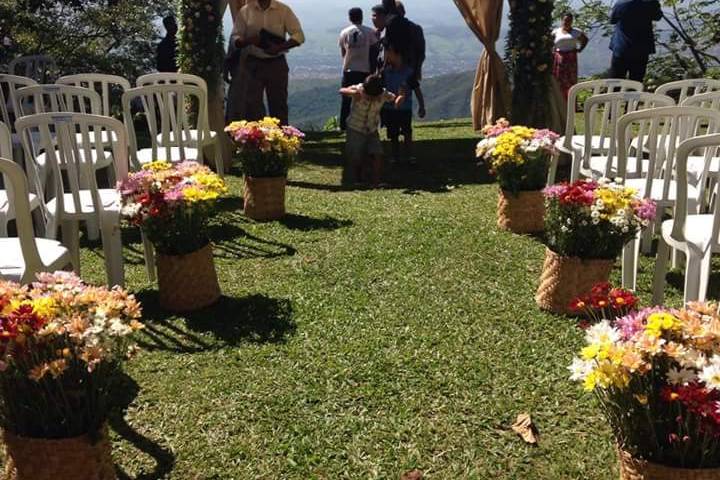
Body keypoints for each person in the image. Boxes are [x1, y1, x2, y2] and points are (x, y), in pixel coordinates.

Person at [230, 0, 305, 126]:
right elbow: (235, 37)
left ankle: (280, 141)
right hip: (253, 63)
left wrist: (279, 47)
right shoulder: (246, 11)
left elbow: (299, 36)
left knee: (278, 104)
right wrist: (248, 41)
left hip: (276, 63)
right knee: (252, 105)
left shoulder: (283, 10)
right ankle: (257, 140)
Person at [340, 73, 402, 187]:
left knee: (377, 153)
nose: (372, 98)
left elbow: (394, 98)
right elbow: (342, 90)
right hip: (355, 127)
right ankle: (358, 179)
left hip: (372, 128)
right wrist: (353, 93)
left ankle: (376, 182)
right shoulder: (359, 89)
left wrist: (400, 98)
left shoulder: (383, 93)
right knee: (356, 155)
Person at [381, 44, 426, 165]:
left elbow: (416, 89)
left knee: (407, 132)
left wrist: (422, 105)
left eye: (388, 53)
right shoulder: (385, 72)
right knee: (393, 133)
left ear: (397, 55)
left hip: (404, 108)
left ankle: (409, 156)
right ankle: (395, 156)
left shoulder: (408, 72)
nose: (386, 56)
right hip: (389, 108)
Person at [339, 8, 378, 131]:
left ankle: (343, 126)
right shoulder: (369, 32)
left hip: (349, 69)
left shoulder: (344, 32)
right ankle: (365, 124)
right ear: (361, 17)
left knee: (346, 100)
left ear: (350, 18)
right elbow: (374, 51)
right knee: (365, 99)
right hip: (364, 70)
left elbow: (343, 52)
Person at [609, 0, 663, 82]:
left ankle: (615, 95)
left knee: (616, 82)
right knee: (636, 82)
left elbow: (612, 20)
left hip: (621, 48)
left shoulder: (620, 4)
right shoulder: (650, 4)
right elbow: (658, 16)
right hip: (641, 50)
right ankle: (633, 94)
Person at [552, 13, 588, 100]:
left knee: (570, 81)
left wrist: (580, 49)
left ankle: (570, 102)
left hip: (571, 59)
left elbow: (585, 40)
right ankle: (559, 102)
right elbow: (551, 42)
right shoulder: (556, 31)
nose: (566, 22)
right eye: (565, 20)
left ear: (572, 21)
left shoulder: (576, 32)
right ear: (561, 20)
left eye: (569, 20)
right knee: (558, 79)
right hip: (559, 58)